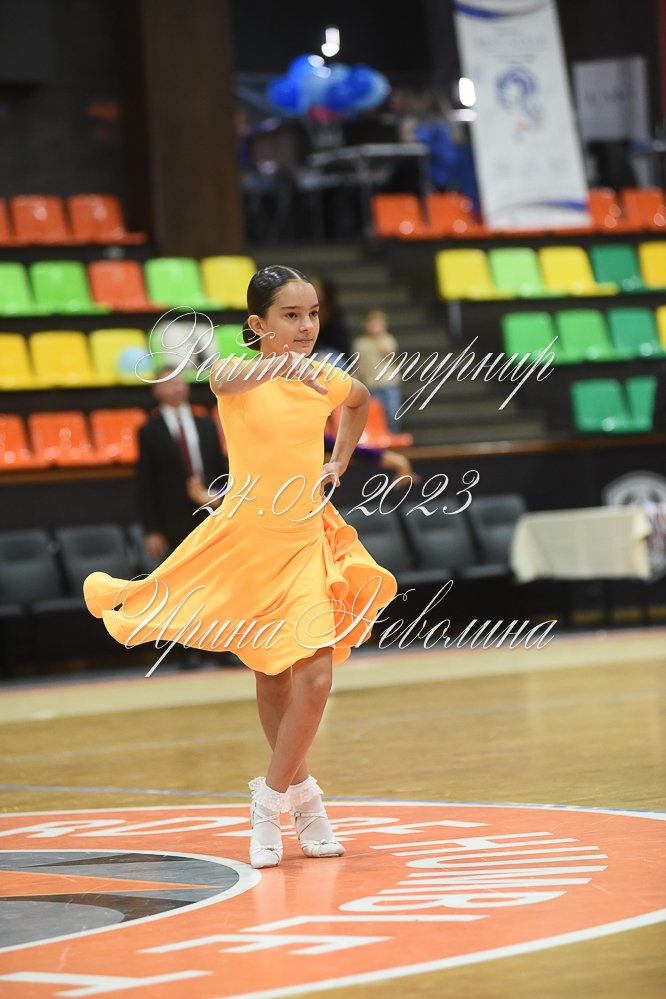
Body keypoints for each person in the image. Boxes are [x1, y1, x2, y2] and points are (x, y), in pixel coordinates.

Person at [82, 264, 398, 870]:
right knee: (272, 675)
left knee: (316, 676)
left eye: (313, 314)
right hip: (251, 541)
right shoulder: (233, 372)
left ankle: (269, 800)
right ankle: (307, 803)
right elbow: (226, 379)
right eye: (291, 315)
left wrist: (338, 461)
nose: (306, 326)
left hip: (306, 538)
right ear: (258, 323)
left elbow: (359, 401)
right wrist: (284, 365)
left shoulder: (325, 379)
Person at [135, 365, 236, 669]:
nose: (177, 387)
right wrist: (152, 529)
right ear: (157, 390)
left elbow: (223, 470)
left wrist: (220, 500)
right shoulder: (149, 431)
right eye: (170, 383)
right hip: (173, 518)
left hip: (210, 513)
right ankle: (189, 650)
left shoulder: (206, 424)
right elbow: (145, 484)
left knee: (218, 582)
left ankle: (222, 647)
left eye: (180, 382)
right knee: (182, 585)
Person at [351, 308, 403, 433]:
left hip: (388, 383)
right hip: (371, 384)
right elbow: (358, 363)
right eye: (372, 323)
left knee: (392, 412)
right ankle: (382, 435)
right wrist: (354, 378)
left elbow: (389, 354)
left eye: (378, 323)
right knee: (377, 414)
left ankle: (393, 434)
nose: (375, 326)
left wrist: (379, 338)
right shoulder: (360, 343)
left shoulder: (387, 339)